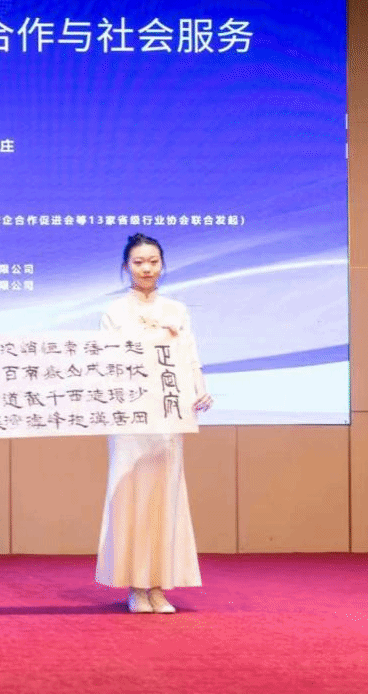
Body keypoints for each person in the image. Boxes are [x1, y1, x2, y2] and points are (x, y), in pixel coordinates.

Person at [96, 233, 213, 614]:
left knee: (166, 498)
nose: (146, 268)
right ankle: (136, 586)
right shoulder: (114, 312)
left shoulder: (177, 310)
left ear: (162, 264)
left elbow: (190, 357)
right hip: (131, 418)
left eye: (153, 261)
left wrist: (200, 390)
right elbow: (108, 363)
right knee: (132, 496)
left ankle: (159, 587)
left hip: (168, 415)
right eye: (138, 262)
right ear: (126, 266)